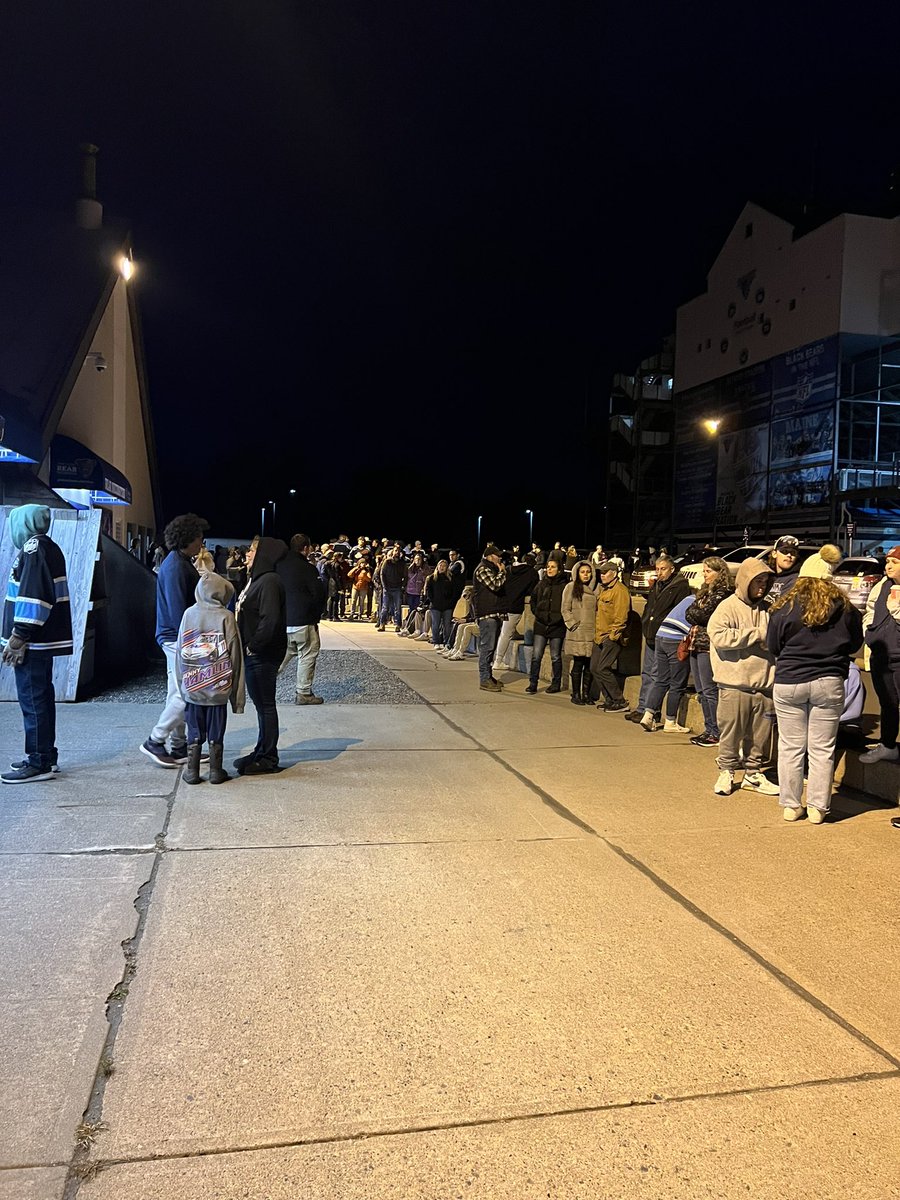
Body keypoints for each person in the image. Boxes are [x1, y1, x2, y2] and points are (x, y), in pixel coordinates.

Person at [767, 578, 863, 823]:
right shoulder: (846, 609)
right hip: (829, 679)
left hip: (790, 679)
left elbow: (773, 646)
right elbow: (855, 643)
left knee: (790, 747)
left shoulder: (785, 608)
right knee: (822, 749)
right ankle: (818, 808)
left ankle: (791, 805)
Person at [0, 505, 73, 784]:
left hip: (32, 642)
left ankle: (38, 761)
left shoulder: (34, 550)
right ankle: (46, 755)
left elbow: (34, 596)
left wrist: (18, 636)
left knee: (33, 700)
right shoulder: (47, 546)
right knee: (41, 698)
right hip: (39, 641)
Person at [707, 558, 779, 797]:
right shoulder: (727, 606)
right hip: (734, 684)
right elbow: (718, 636)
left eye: (766, 582)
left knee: (759, 736)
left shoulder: (769, 609)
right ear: (745, 581)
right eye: (758, 581)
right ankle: (726, 771)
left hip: (765, 685)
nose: (762, 586)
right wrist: (756, 635)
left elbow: (777, 638)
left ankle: (753, 774)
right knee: (731, 733)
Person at [141, 512, 209, 767]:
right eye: (199, 537)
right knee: (185, 694)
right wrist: (193, 641)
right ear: (187, 538)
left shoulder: (177, 562)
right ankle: (155, 740)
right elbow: (179, 610)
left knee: (177, 693)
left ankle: (179, 747)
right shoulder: (177, 567)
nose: (201, 542)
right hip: (176, 638)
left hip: (173, 637)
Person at [176, 569, 245, 784]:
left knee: (194, 729)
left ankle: (192, 771)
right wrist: (237, 699)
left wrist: (182, 685)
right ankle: (216, 771)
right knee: (217, 730)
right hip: (218, 688)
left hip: (193, 688)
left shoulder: (188, 614)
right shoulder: (226, 617)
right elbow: (236, 656)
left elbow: (179, 653)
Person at [234, 535, 288, 775]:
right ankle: (260, 751)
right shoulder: (256, 580)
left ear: (263, 555)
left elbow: (270, 619)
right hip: (255, 653)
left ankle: (268, 758)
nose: (247, 553)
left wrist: (253, 646)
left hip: (262, 655)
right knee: (261, 706)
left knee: (266, 705)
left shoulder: (269, 581)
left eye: (253, 550)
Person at [627, 554, 690, 727]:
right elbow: (650, 607)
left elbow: (679, 611)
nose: (659, 572)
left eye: (663, 569)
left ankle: (651, 712)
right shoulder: (656, 585)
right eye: (657, 569)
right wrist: (646, 621)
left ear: (672, 569)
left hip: (666, 636)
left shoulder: (680, 587)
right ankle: (642, 708)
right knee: (647, 673)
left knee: (658, 676)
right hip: (651, 633)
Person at [685, 557, 733, 747]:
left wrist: (698, 614)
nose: (705, 575)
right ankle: (709, 728)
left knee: (710, 690)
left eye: (708, 571)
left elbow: (706, 615)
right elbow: (689, 613)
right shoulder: (704, 591)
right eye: (704, 571)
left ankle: (717, 732)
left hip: (708, 646)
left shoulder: (724, 593)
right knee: (701, 691)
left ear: (719, 572)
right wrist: (697, 614)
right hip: (695, 642)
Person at [861, 545, 900, 765]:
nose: (888, 566)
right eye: (887, 562)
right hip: (881, 655)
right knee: (888, 703)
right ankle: (887, 745)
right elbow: (870, 610)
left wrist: (897, 610)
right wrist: (869, 631)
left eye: (894, 562)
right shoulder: (882, 585)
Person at [277, 533, 327, 705]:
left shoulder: (279, 566)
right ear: (306, 548)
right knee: (307, 654)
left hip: (283, 621)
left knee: (282, 654)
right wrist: (316, 615)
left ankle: (261, 682)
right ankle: (303, 693)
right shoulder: (308, 569)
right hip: (304, 621)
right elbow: (318, 595)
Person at [591, 561, 632, 711]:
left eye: (605, 572)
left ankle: (620, 701)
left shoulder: (620, 591)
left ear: (614, 574)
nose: (602, 575)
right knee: (594, 668)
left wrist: (613, 636)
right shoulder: (604, 589)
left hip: (611, 636)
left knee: (603, 668)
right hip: (599, 635)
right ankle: (609, 700)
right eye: (601, 573)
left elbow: (621, 617)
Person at [492, 553, 539, 673]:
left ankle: (495, 659)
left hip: (503, 604)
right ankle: (498, 661)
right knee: (506, 634)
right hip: (515, 606)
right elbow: (532, 591)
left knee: (503, 632)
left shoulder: (509, 569)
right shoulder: (533, 573)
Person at [526, 557, 567, 694]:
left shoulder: (564, 586)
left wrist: (559, 618)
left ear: (559, 570)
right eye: (548, 567)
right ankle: (533, 683)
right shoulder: (541, 584)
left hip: (557, 626)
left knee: (555, 656)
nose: (549, 569)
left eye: (553, 567)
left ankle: (556, 684)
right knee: (536, 655)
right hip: (541, 625)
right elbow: (533, 601)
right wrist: (538, 613)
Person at [472, 543, 507, 692]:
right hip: (487, 615)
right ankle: (484, 679)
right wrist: (503, 572)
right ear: (489, 557)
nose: (500, 558)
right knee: (487, 648)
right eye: (497, 556)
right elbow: (495, 585)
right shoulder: (482, 569)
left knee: (491, 649)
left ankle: (489, 676)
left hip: (495, 613)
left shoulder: (491, 569)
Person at [562, 559, 598, 704]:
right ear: (577, 573)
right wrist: (572, 624)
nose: (586, 574)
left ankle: (586, 694)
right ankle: (576, 694)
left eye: (588, 572)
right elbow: (565, 609)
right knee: (578, 663)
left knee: (589, 665)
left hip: (592, 632)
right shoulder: (570, 587)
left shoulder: (596, 589)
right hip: (577, 632)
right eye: (583, 572)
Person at [423, 559, 456, 649]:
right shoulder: (431, 578)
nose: (442, 567)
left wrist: (450, 602)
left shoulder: (450, 578)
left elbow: (454, 592)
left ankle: (447, 643)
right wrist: (433, 601)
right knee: (435, 624)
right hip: (435, 606)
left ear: (447, 568)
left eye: (444, 566)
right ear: (437, 567)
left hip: (447, 606)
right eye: (440, 565)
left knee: (447, 626)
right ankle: (436, 642)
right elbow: (429, 592)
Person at [376, 546, 407, 632]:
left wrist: (403, 586)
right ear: (393, 552)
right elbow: (382, 574)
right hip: (387, 587)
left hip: (397, 587)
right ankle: (382, 623)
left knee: (397, 608)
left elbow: (405, 575)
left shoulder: (402, 563)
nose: (397, 552)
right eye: (395, 550)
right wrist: (384, 586)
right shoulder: (387, 562)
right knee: (385, 607)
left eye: (398, 551)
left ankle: (398, 625)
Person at [764, 535, 802, 606]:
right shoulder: (766, 576)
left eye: (793, 553)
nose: (789, 555)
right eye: (784, 551)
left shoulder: (797, 580)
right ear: (774, 554)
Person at [347, 555, 373, 620]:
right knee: (353, 601)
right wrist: (356, 568)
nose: (363, 564)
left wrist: (365, 575)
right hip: (355, 587)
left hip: (363, 588)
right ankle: (352, 614)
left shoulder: (367, 570)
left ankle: (360, 614)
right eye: (362, 563)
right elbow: (349, 575)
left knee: (361, 602)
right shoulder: (356, 570)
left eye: (364, 563)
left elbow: (369, 579)